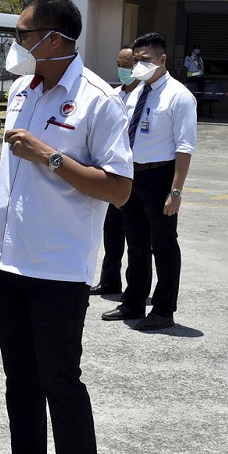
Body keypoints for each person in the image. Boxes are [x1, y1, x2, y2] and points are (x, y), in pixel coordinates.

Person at [0, 0, 132, 454]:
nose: (17, 43)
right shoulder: (24, 89)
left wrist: (50, 156)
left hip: (57, 273)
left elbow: (118, 188)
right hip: (7, 265)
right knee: (19, 383)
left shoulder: (97, 99)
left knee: (61, 387)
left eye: (24, 34)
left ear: (54, 39)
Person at [102, 31, 197, 331]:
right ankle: (133, 302)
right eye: (137, 60)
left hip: (160, 177)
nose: (139, 65)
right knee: (136, 243)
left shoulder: (179, 96)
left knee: (164, 245)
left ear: (162, 59)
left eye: (146, 60)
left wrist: (176, 190)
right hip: (132, 177)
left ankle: (164, 310)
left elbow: (184, 147)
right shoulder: (137, 93)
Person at [90, 44, 141, 295]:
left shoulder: (145, 95)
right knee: (111, 230)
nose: (123, 70)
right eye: (120, 65)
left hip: (135, 174)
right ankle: (110, 280)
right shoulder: (113, 94)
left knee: (135, 236)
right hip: (111, 170)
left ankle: (135, 289)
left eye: (127, 65)